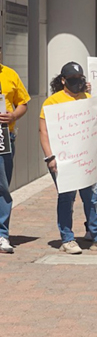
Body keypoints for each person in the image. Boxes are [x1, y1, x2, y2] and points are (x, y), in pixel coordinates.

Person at [39, 62, 97, 255]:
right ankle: (67, 239)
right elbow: (44, 131)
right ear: (63, 80)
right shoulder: (52, 102)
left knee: (92, 199)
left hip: (86, 159)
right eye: (72, 79)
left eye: (79, 79)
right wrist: (50, 157)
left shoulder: (88, 98)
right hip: (63, 160)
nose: (77, 83)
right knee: (66, 199)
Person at [0, 45, 30, 254]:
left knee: (2, 186)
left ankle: (2, 235)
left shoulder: (10, 74)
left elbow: (23, 103)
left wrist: (13, 116)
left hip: (3, 137)